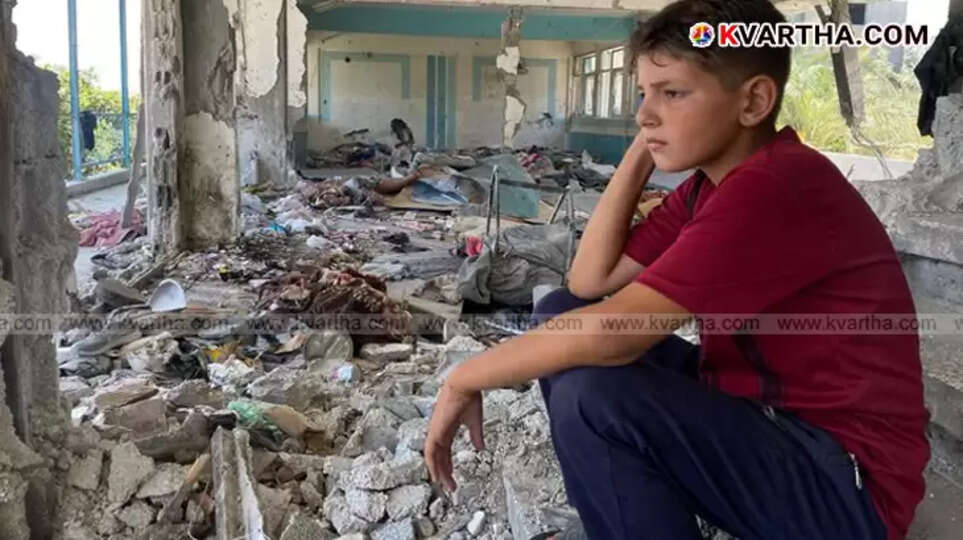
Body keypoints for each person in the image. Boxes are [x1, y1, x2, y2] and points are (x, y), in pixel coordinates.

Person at [424, 1, 930, 539]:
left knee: (593, 398)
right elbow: (589, 281)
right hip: (763, 416)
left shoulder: (777, 186)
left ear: (754, 101)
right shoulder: (708, 189)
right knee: (559, 310)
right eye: (643, 93)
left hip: (845, 487)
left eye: (672, 93)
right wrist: (644, 149)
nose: (645, 114)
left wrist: (463, 378)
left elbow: (615, 335)